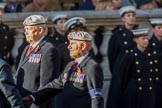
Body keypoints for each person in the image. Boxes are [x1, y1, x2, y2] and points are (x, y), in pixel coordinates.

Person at [23, 30, 104, 108]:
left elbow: (96, 97)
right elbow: (56, 84)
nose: (69, 47)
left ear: (83, 46)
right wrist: (32, 97)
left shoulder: (92, 67)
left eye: (72, 44)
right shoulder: (71, 65)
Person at [15, 15, 60, 108]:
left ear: (40, 30)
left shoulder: (48, 50)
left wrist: (33, 103)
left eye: (28, 29)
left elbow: (46, 85)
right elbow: (18, 76)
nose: (25, 32)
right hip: (22, 102)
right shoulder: (27, 48)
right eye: (25, 29)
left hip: (36, 104)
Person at [107, 28, 155, 108]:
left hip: (148, 92)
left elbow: (152, 75)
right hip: (134, 94)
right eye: (143, 38)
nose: (146, 41)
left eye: (147, 38)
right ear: (136, 40)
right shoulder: (129, 56)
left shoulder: (150, 56)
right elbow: (123, 77)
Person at [107, 5, 136, 108]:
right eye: (128, 15)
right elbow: (112, 55)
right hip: (120, 70)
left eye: (133, 15)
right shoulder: (117, 35)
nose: (131, 17)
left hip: (134, 70)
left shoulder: (138, 34)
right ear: (123, 18)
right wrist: (116, 70)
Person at [149, 18, 162, 108]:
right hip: (154, 82)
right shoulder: (148, 44)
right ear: (153, 29)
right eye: (159, 27)